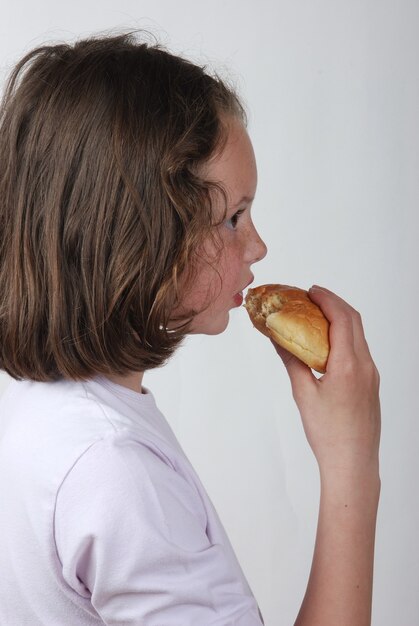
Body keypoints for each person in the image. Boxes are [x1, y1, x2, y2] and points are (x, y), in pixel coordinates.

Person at [0, 32, 381, 625]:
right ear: (138, 236)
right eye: (233, 218)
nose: (258, 246)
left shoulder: (40, 412)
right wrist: (352, 465)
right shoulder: (116, 471)